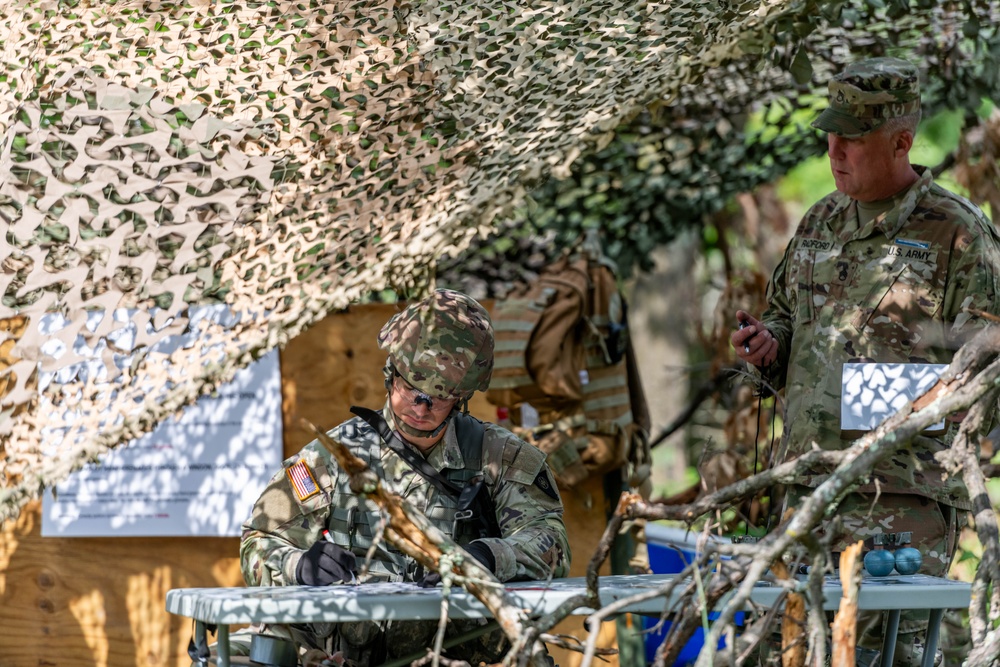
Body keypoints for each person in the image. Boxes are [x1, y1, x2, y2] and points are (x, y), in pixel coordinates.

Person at [731, 57, 1000, 665]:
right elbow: (783, 319)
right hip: (807, 491)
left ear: (901, 140)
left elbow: (989, 371)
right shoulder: (820, 222)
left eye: (851, 137)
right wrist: (768, 346)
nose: (834, 151)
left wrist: (875, 396)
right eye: (830, 135)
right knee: (791, 650)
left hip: (902, 501)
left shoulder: (957, 233)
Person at [238, 289, 571, 666]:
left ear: (461, 398)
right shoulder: (330, 458)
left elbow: (550, 541)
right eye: (410, 387)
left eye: (438, 396)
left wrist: (483, 557)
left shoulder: (500, 457)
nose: (420, 407)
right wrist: (298, 565)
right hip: (354, 652)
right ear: (390, 374)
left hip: (459, 650)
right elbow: (260, 539)